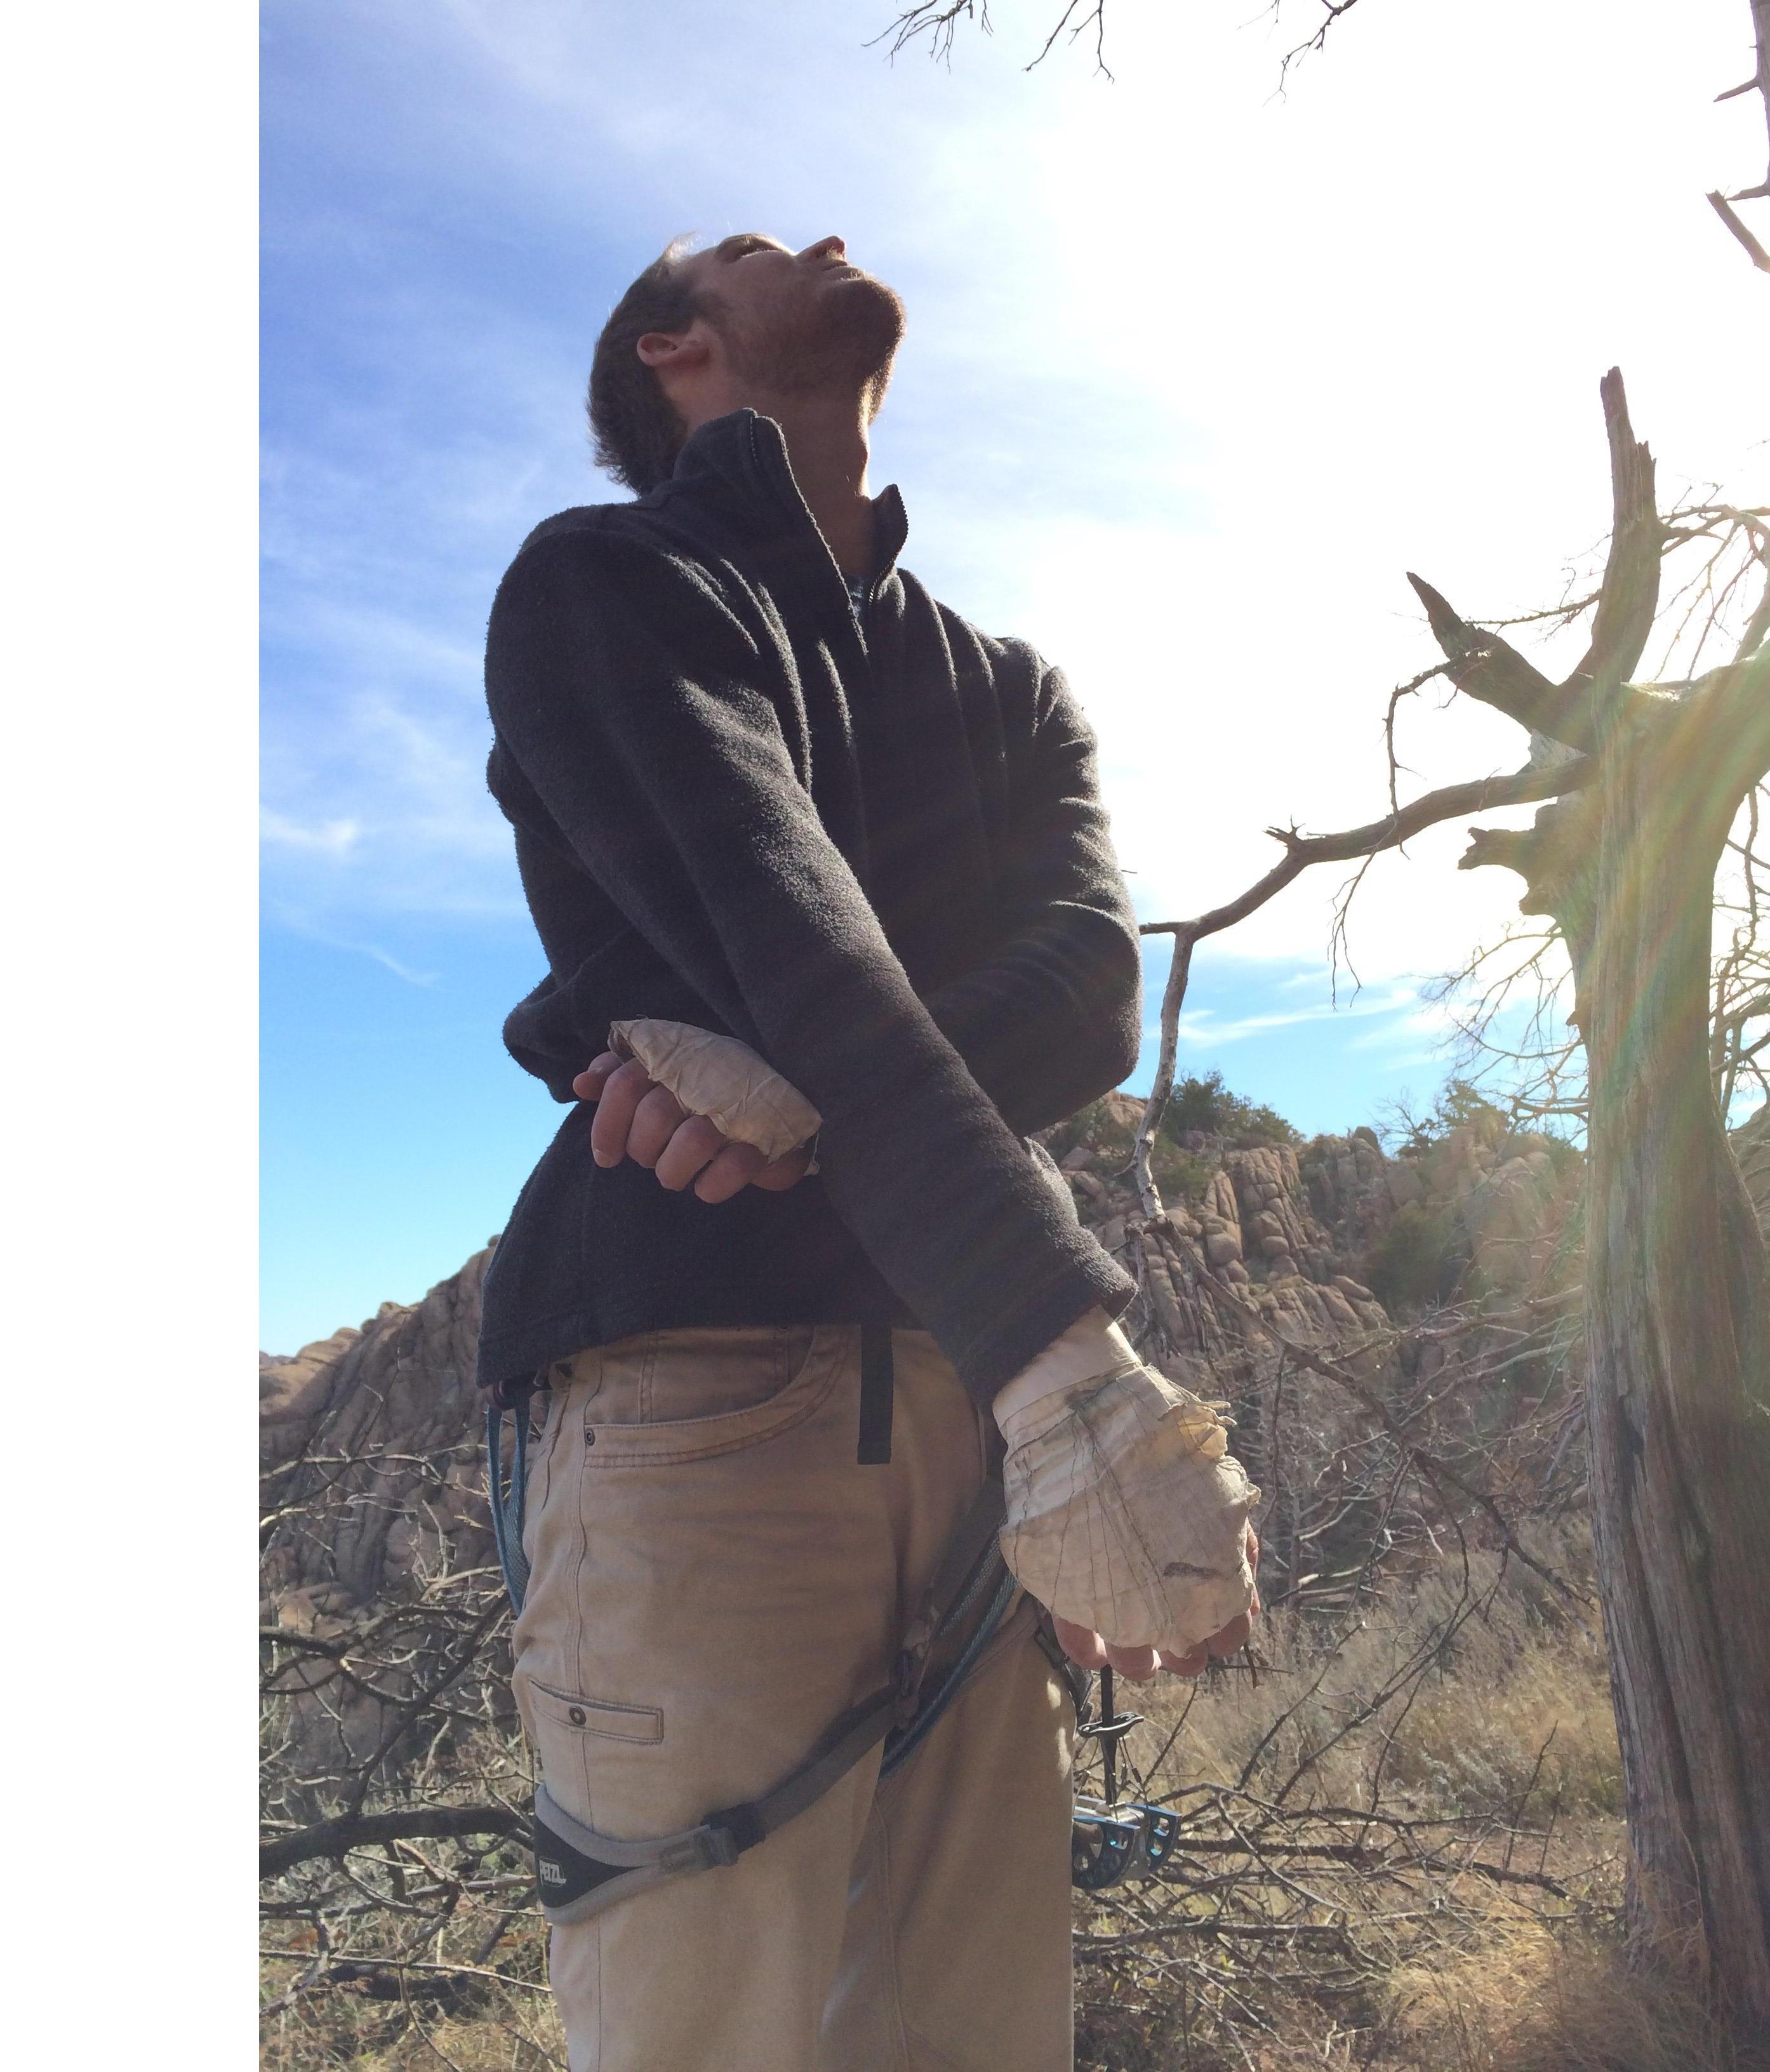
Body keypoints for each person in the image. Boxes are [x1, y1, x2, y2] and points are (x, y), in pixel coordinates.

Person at [480, 229, 1258, 2072]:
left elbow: (1085, 989)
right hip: (701, 1399)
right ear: (676, 346)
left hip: (954, 1407)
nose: (824, 241)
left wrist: (796, 1078)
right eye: (754, 248)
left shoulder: (1005, 682)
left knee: (976, 2037)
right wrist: (1075, 1372)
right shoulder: (608, 583)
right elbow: (782, 912)